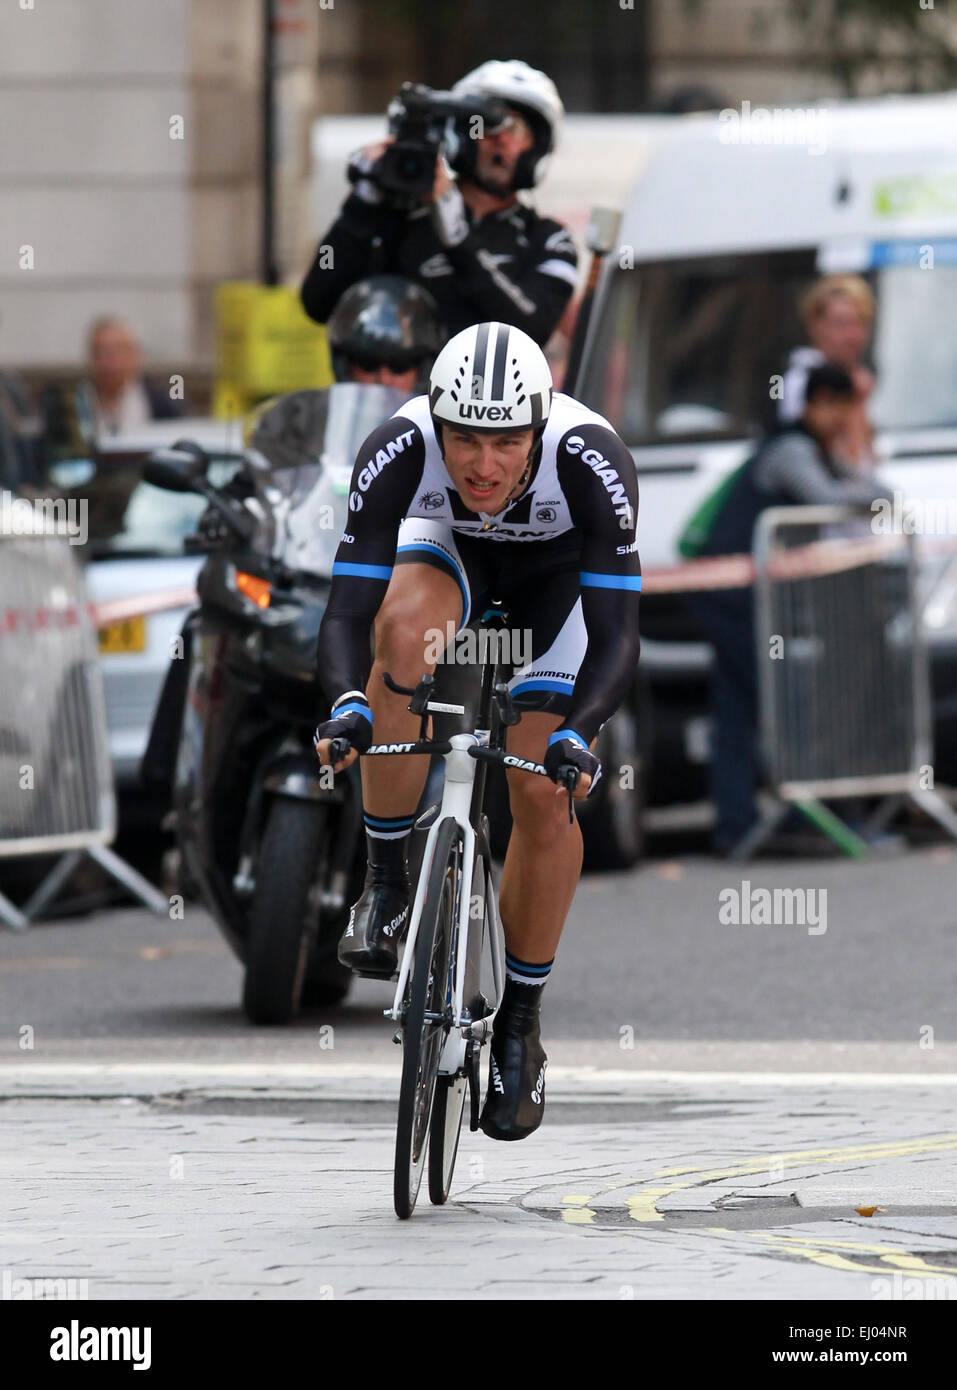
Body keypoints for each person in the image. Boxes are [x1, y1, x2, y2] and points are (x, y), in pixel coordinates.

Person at [313, 321, 641, 1141]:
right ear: (435, 419)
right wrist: (347, 706)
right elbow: (348, 607)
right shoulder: (397, 447)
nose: (482, 464)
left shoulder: (591, 459)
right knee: (400, 635)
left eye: (504, 441)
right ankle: (386, 881)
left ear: (538, 423)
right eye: (462, 438)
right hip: (451, 557)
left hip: (557, 590)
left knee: (537, 791)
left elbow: (618, 636)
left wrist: (581, 731)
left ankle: (521, 1026)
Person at [690, 364, 894, 854]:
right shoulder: (793, 450)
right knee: (786, 706)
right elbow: (831, 497)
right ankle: (812, 818)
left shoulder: (805, 447)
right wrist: (868, 492)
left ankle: (738, 827)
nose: (844, 419)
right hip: (734, 598)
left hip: (735, 597)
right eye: (840, 407)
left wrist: (866, 484)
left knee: (738, 711)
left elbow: (872, 490)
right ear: (820, 403)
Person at [300, 61, 578, 348]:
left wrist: (457, 235)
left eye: (516, 130)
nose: (501, 141)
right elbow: (317, 303)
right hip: (406, 394)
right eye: (486, 127)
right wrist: (361, 204)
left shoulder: (550, 239)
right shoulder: (403, 219)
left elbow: (531, 330)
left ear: (538, 146)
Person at [779, 275, 877, 469]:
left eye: (859, 323)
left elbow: (867, 466)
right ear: (815, 325)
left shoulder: (858, 379)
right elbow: (851, 467)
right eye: (840, 323)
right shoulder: (800, 382)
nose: (852, 336)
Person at [326, 275, 443, 392]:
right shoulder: (321, 409)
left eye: (399, 366)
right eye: (368, 364)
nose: (384, 380)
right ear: (345, 367)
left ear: (423, 370)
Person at [79, 317, 189, 439]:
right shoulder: (74, 402)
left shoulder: (164, 404)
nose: (110, 361)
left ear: (136, 355)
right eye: (101, 352)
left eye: (118, 351)